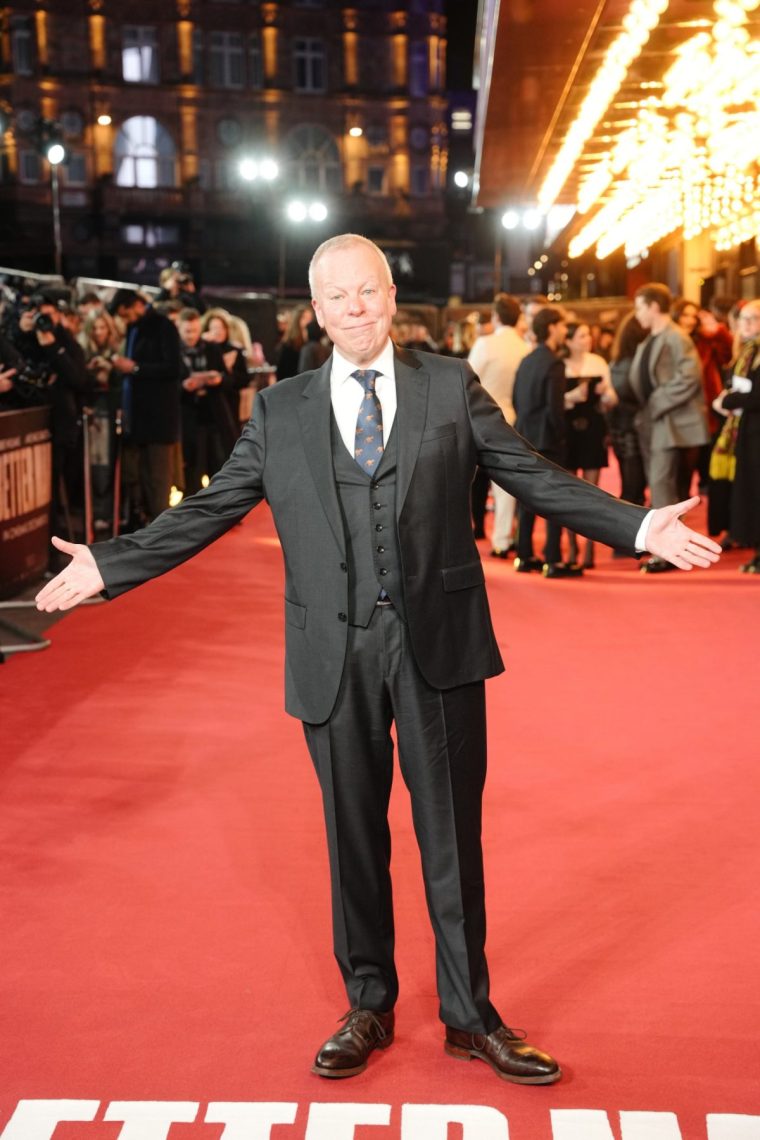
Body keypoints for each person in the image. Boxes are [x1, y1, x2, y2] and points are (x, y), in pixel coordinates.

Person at [36, 234, 720, 1087]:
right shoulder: (279, 411)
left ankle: (471, 1017)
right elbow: (210, 508)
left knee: (450, 838)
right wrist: (112, 562)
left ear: (392, 297)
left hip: (438, 642)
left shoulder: (448, 385)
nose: (355, 308)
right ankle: (368, 1001)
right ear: (315, 311)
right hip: (334, 649)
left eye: (369, 291)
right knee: (351, 835)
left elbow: (528, 474)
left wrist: (636, 522)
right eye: (337, 297)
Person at [630, 283, 710, 572]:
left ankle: (665, 553)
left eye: (639, 307)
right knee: (662, 481)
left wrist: (657, 402)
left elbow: (689, 378)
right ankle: (671, 547)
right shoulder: (652, 338)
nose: (636, 314)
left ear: (653, 306)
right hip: (656, 419)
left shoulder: (676, 337)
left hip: (669, 419)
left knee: (662, 481)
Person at [512, 307, 580, 578]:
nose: (565, 331)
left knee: (527, 498)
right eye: (563, 326)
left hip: (524, 436)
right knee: (555, 500)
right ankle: (553, 559)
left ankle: (524, 555)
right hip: (549, 440)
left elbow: (517, 401)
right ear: (551, 327)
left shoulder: (526, 361)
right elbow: (555, 409)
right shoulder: (554, 363)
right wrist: (562, 435)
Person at [108, 289, 183, 524]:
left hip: (159, 418)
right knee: (138, 477)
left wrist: (136, 368)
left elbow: (172, 368)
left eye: (126, 314)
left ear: (138, 304)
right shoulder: (134, 328)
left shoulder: (163, 326)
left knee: (158, 479)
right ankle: (144, 526)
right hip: (137, 419)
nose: (125, 320)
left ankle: (161, 531)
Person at [467, 293, 529, 558]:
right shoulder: (525, 347)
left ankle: (478, 533)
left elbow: (467, 379)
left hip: (481, 417)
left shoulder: (485, 344)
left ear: (495, 317)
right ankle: (504, 538)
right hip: (515, 416)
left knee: (470, 480)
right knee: (508, 484)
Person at [562, 321, 618, 569]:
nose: (588, 339)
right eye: (582, 335)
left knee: (591, 492)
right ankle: (572, 546)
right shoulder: (559, 364)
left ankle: (590, 547)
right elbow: (551, 402)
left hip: (594, 430)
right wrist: (570, 397)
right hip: (568, 431)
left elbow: (611, 401)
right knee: (570, 492)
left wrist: (606, 393)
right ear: (569, 340)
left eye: (588, 335)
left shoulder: (598, 362)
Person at [712, 300, 760, 573]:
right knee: (750, 490)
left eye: (753, 318)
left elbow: (757, 394)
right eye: (743, 318)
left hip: (755, 429)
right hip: (747, 430)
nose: (746, 324)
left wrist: (728, 401)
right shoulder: (747, 351)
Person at [608, 313, 648, 510]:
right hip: (632, 426)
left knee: (630, 485)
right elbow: (630, 392)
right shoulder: (635, 363)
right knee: (633, 489)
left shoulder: (617, 361)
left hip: (619, 425)